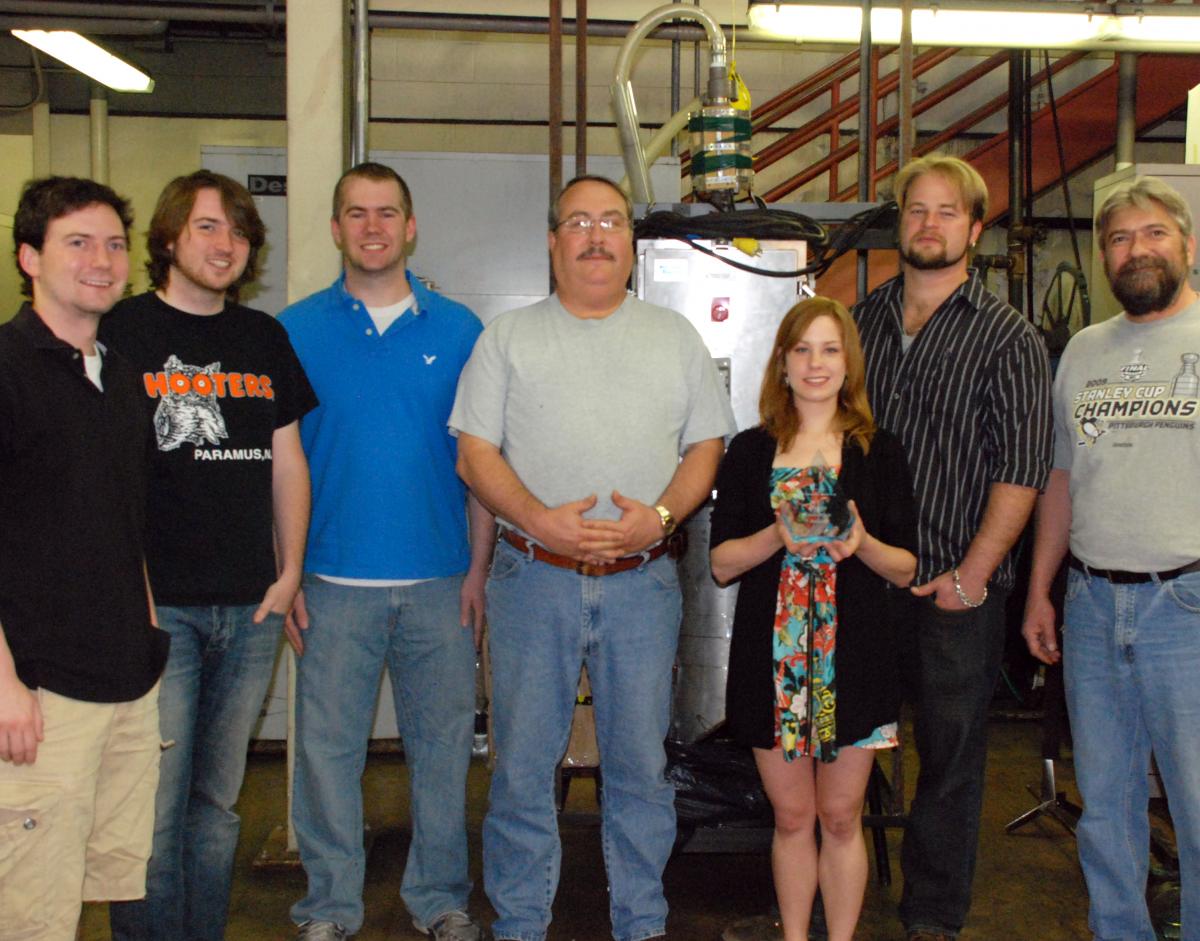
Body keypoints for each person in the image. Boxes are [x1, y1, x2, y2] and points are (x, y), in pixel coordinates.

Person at [450, 174, 736, 941]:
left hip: (643, 585)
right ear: (553, 243)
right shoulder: (508, 338)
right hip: (529, 580)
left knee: (641, 770)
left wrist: (663, 517)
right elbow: (473, 453)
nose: (595, 235)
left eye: (611, 221)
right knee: (520, 770)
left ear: (631, 247)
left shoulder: (674, 338)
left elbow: (707, 443)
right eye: (578, 222)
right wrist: (539, 520)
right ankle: (519, 923)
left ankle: (640, 922)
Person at [100, 170, 317, 941]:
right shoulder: (120, 332)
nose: (227, 244)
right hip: (162, 610)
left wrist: (289, 571)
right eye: (207, 227)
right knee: (152, 805)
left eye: (238, 230)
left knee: (217, 805)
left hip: (251, 606)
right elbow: (93, 472)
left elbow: (287, 462)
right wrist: (131, 587)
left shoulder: (263, 338)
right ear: (167, 238)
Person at [279, 162, 492, 941]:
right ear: (336, 228)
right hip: (331, 583)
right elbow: (282, 463)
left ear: (411, 227)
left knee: (441, 752)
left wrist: (476, 570)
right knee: (328, 755)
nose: (372, 226)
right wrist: (289, 572)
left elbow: (480, 463)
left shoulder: (462, 330)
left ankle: (439, 898)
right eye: (356, 213)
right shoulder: (293, 331)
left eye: (387, 213)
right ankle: (329, 907)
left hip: (440, 583)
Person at [852, 153, 1052, 941]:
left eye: (945, 212)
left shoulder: (1008, 337)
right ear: (899, 223)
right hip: (862, 579)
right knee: (842, 748)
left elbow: (1024, 465)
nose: (927, 224)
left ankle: (932, 917)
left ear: (975, 229)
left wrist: (972, 576)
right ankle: (836, 893)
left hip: (953, 592)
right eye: (915, 210)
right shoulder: (861, 323)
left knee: (949, 760)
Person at [1022, 175, 1200, 941]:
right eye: (1120, 238)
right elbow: (1062, 476)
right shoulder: (1084, 354)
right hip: (1093, 606)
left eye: (1154, 232)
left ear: (1187, 243)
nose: (1137, 249)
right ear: (1103, 257)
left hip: (1186, 605)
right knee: (1107, 806)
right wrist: (1040, 591)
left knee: (1196, 805)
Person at [710, 297, 917, 941]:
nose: (816, 363)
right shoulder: (748, 451)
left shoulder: (878, 451)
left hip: (852, 660)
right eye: (802, 349)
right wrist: (778, 534)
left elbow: (907, 568)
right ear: (782, 362)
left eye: (829, 349)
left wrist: (861, 545)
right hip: (773, 664)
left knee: (840, 815)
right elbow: (720, 564)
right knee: (793, 817)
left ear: (848, 362)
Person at [0, 176, 170, 939]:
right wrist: (3, 683)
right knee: (29, 907)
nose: (101, 260)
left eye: (113, 244)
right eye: (77, 242)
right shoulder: (6, 370)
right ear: (29, 257)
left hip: (126, 682)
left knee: (94, 884)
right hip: (38, 691)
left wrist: (147, 635)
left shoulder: (121, 374)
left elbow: (122, 521)